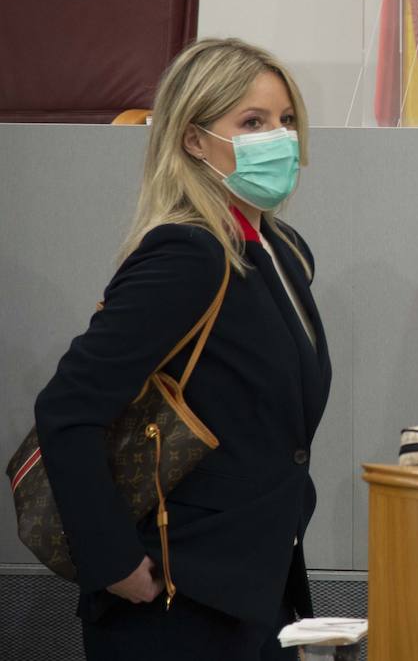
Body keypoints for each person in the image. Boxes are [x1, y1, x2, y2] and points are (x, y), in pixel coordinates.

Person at [34, 38, 330, 660]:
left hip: (255, 589)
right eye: (251, 122)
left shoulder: (283, 250)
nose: (278, 136)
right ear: (193, 140)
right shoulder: (187, 254)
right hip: (176, 602)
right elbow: (68, 409)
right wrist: (113, 561)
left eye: (286, 120)